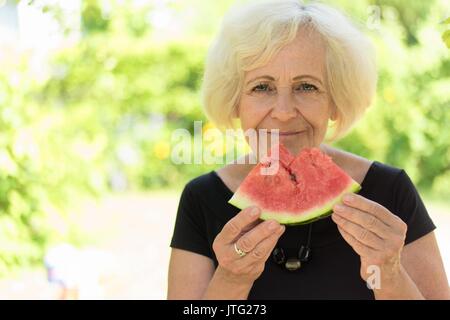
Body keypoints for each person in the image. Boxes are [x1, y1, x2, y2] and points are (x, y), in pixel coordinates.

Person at [167, 0, 449, 299]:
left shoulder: (390, 192)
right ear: (235, 101)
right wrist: (232, 280)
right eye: (262, 87)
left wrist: (389, 274)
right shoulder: (201, 199)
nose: (285, 111)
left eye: (307, 87)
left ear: (335, 101)